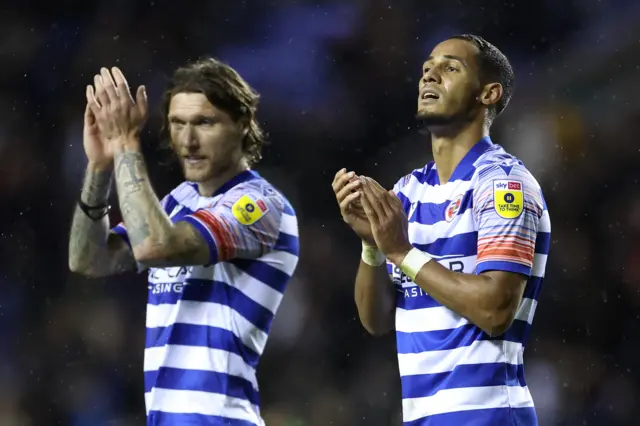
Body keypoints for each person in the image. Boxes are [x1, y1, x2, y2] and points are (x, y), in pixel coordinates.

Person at [332, 34, 550, 425]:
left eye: (450, 67)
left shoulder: (502, 184)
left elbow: (497, 309)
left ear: (488, 94)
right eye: (427, 68)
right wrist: (372, 247)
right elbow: (377, 321)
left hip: (488, 416)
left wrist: (400, 251)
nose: (430, 75)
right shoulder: (407, 192)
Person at [68, 59, 299, 426]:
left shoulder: (259, 205)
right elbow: (89, 260)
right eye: (178, 124)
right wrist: (99, 168)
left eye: (205, 123)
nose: (188, 141)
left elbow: (155, 247)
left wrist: (126, 142)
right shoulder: (179, 202)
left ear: (242, 124)